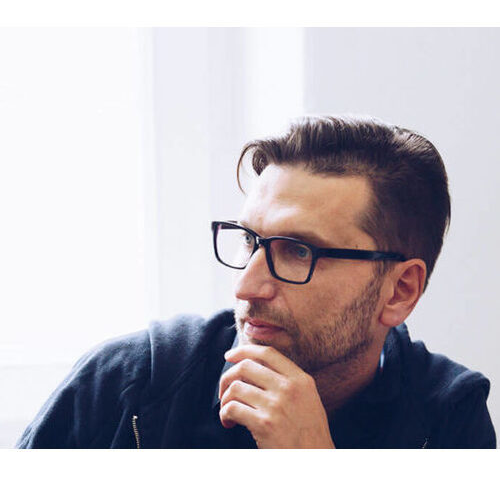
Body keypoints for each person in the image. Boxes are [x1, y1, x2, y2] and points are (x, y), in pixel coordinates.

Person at [17, 115, 496, 449]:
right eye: (250, 241)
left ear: (400, 291)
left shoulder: (447, 416)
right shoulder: (128, 384)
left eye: (299, 250)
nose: (246, 288)